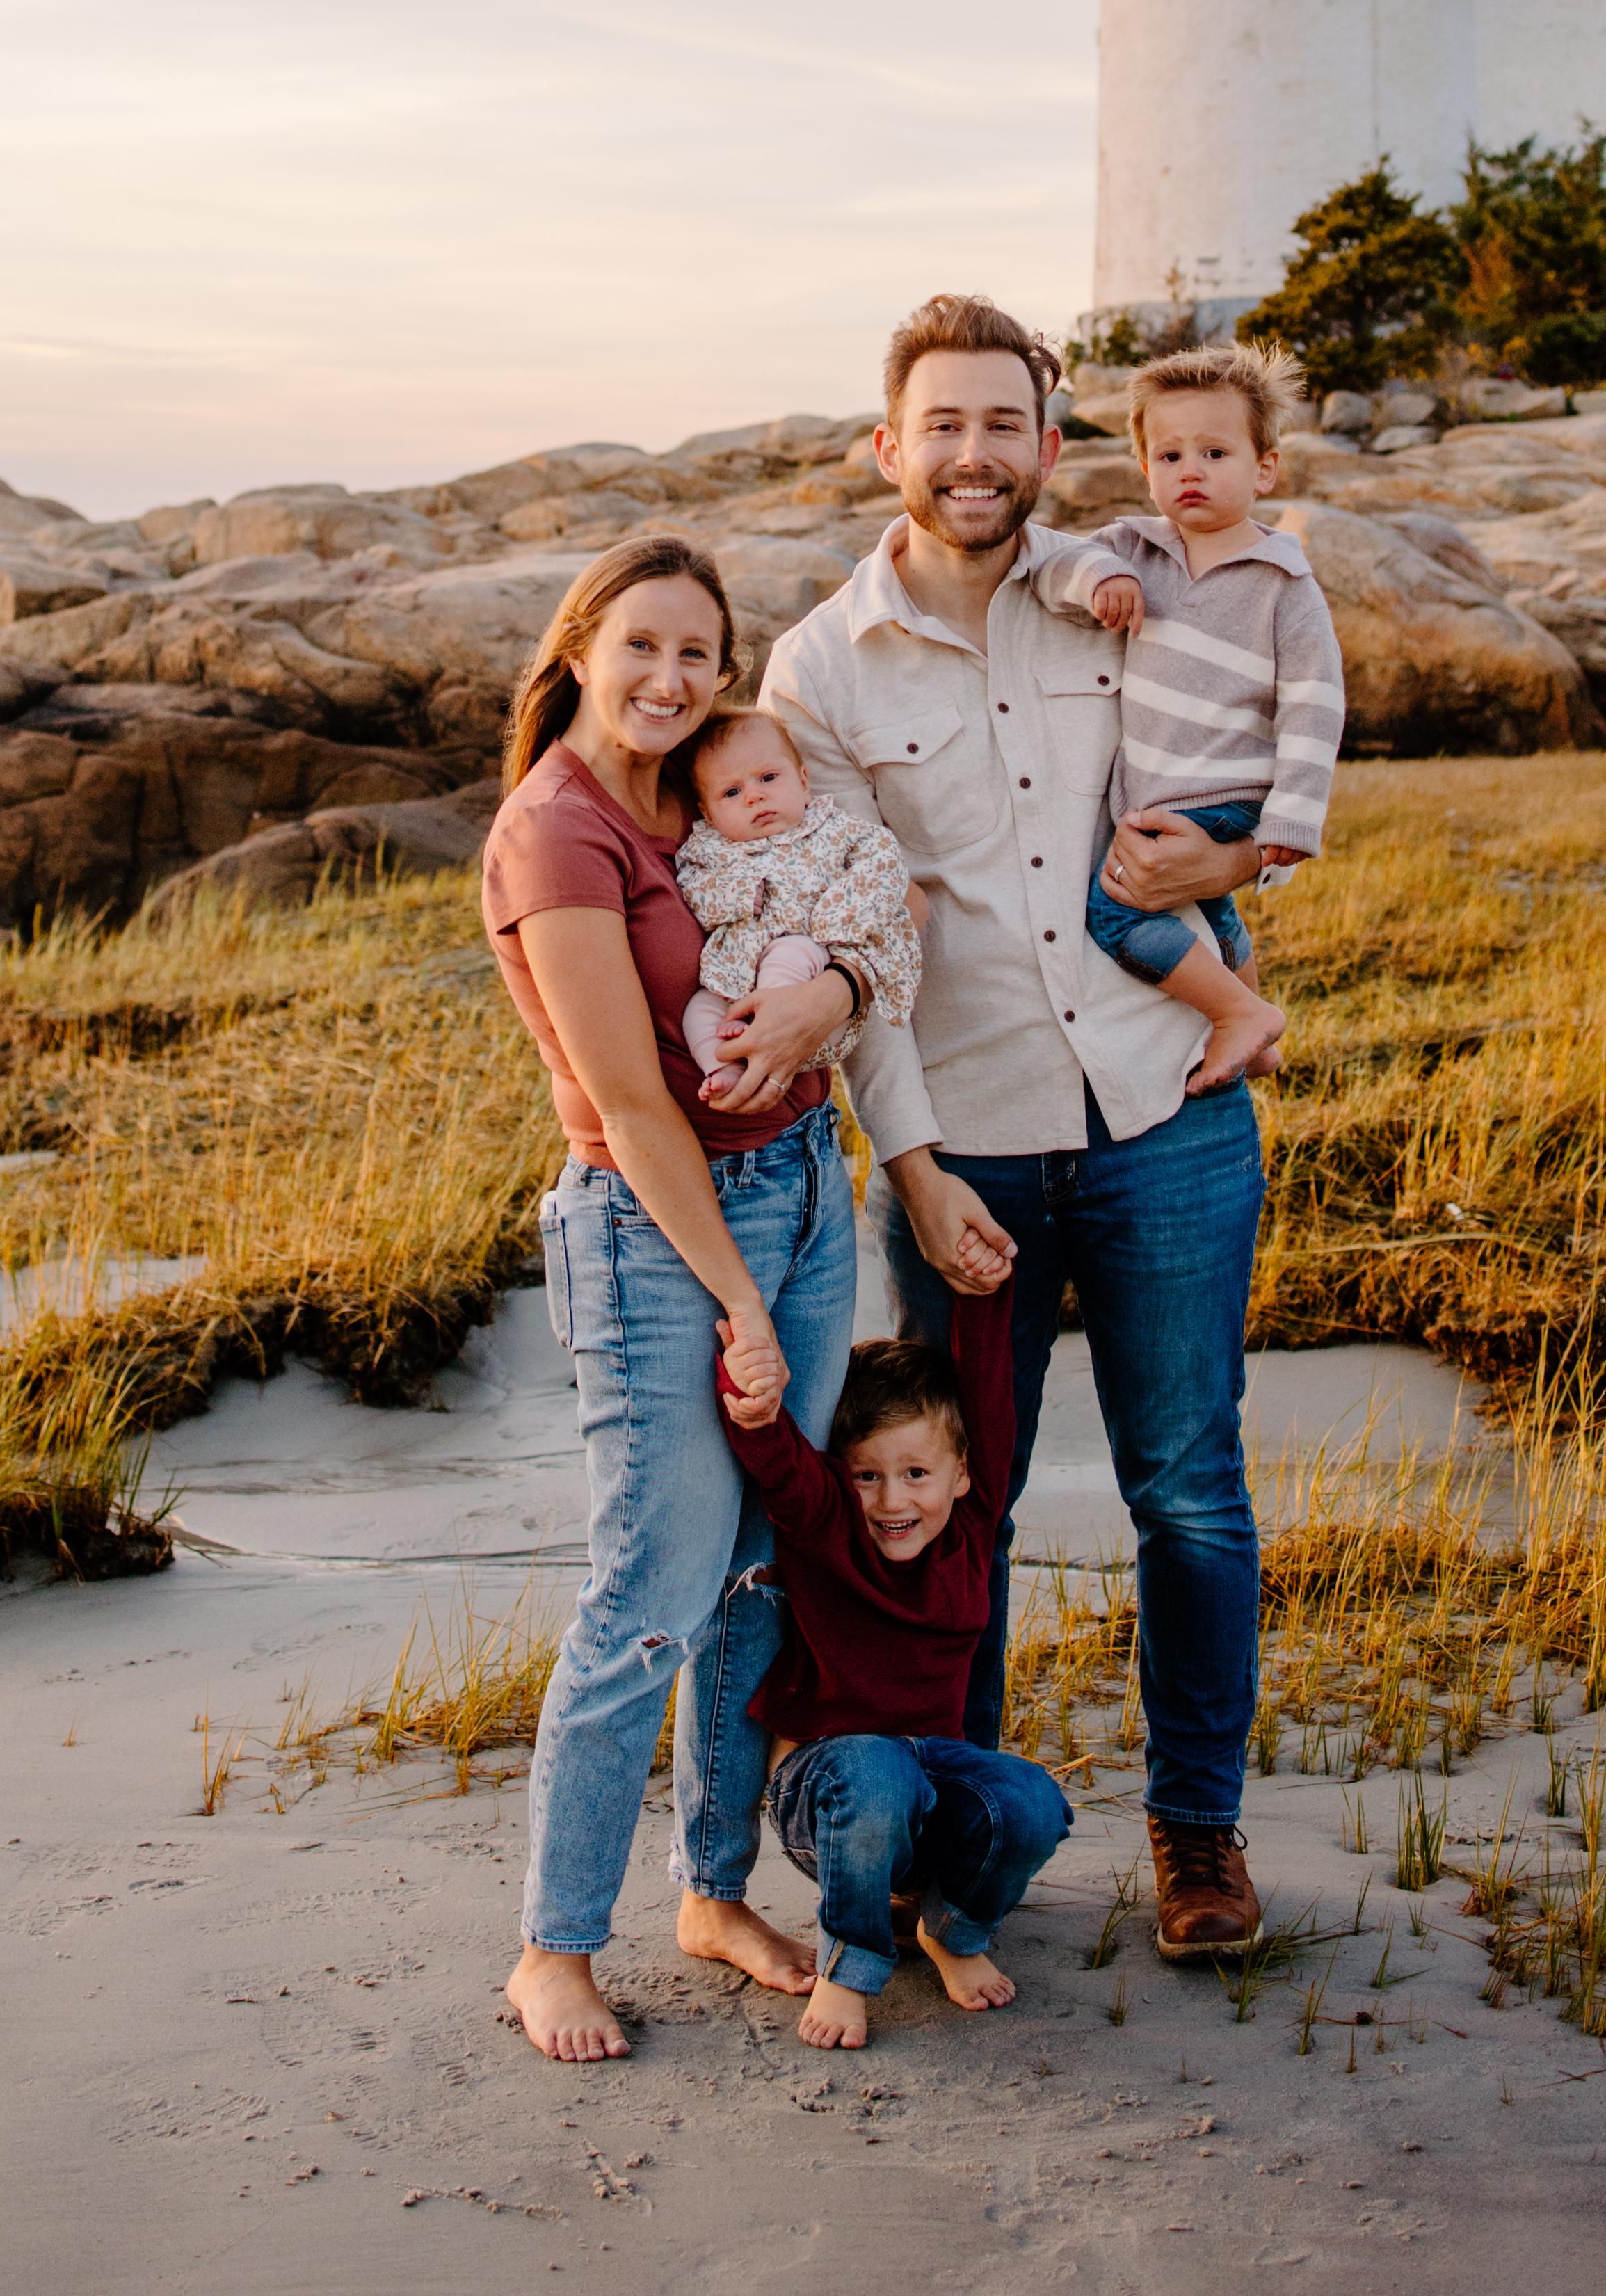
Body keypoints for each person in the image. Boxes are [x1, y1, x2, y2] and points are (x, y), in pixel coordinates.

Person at [755, 293, 1283, 1961]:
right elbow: (845, 936)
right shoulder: (819, 668)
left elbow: (1257, 745)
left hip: (1165, 1107)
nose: (975, 455)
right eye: (944, 425)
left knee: (1189, 1490)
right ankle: (954, 1833)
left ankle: (1198, 1838)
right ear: (887, 444)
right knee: (954, 1503)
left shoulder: (1129, 598)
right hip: (965, 1137)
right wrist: (909, 1166)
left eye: (1006, 425)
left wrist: (1239, 853)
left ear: (1049, 445)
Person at [479, 536, 883, 2063]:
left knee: (762, 1570)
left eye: (697, 655)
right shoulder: (556, 833)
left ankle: (711, 1890)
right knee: (651, 1592)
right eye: (640, 647)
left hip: (801, 1186)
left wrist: (836, 999)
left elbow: (825, 920)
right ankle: (552, 1948)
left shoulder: (698, 792)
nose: (668, 679)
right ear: (579, 646)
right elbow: (631, 1105)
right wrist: (744, 1302)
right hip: (662, 1238)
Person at [717, 1280, 1073, 2051]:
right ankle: (853, 1963)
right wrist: (745, 1388)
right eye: (868, 1474)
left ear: (963, 1476)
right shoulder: (827, 1524)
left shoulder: (971, 1529)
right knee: (878, 1770)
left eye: (916, 1474)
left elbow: (988, 1392)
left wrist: (985, 1291)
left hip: (931, 1780)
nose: (891, 1500)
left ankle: (951, 1928)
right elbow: (773, 1455)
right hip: (831, 1792)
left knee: (1031, 1801)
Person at [1041, 340, 1345, 1096]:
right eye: (1169, 456)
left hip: (1227, 790)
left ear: (1264, 468)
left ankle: (1236, 1012)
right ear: (1146, 471)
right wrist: (1102, 576)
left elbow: (1315, 707)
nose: (1191, 471)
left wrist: (1291, 822)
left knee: (1113, 914)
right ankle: (1258, 1027)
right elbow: (1053, 568)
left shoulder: (1284, 583)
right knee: (1206, 904)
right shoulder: (1134, 549)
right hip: (1159, 785)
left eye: (1214, 452)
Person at [672, 707, 923, 1085]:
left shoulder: (835, 829)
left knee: (791, 952)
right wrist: (740, 895)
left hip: (815, 982)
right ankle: (725, 1068)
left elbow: (882, 861)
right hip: (737, 980)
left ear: (804, 783)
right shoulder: (708, 850)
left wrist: (836, 915)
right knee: (699, 1011)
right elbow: (694, 887)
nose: (755, 796)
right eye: (732, 792)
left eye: (769, 778)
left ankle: (774, 1030)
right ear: (708, 814)